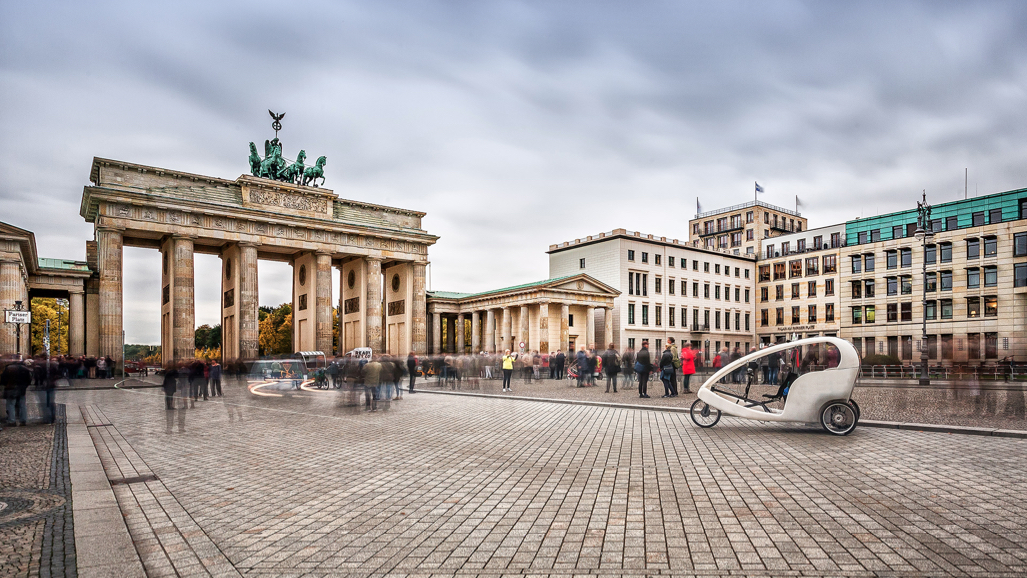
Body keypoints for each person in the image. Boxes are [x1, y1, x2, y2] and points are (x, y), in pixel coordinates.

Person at [2, 360, 32, 426]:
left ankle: (12, 421)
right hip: (21, 389)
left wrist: (6, 385)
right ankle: (23, 420)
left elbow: (3, 379)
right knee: (22, 405)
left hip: (10, 388)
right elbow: (29, 380)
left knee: (10, 405)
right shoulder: (25, 369)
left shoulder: (8, 368)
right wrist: (24, 386)